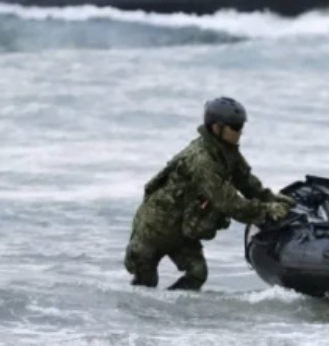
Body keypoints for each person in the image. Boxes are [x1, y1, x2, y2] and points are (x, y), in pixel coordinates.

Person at [124, 97, 296, 291]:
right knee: (145, 281)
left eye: (241, 126)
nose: (240, 131)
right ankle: (144, 310)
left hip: (181, 229)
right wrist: (266, 210)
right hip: (154, 227)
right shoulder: (202, 160)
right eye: (235, 127)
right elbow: (229, 203)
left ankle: (173, 308)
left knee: (197, 273)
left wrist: (269, 197)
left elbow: (245, 180)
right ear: (217, 128)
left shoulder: (225, 151)